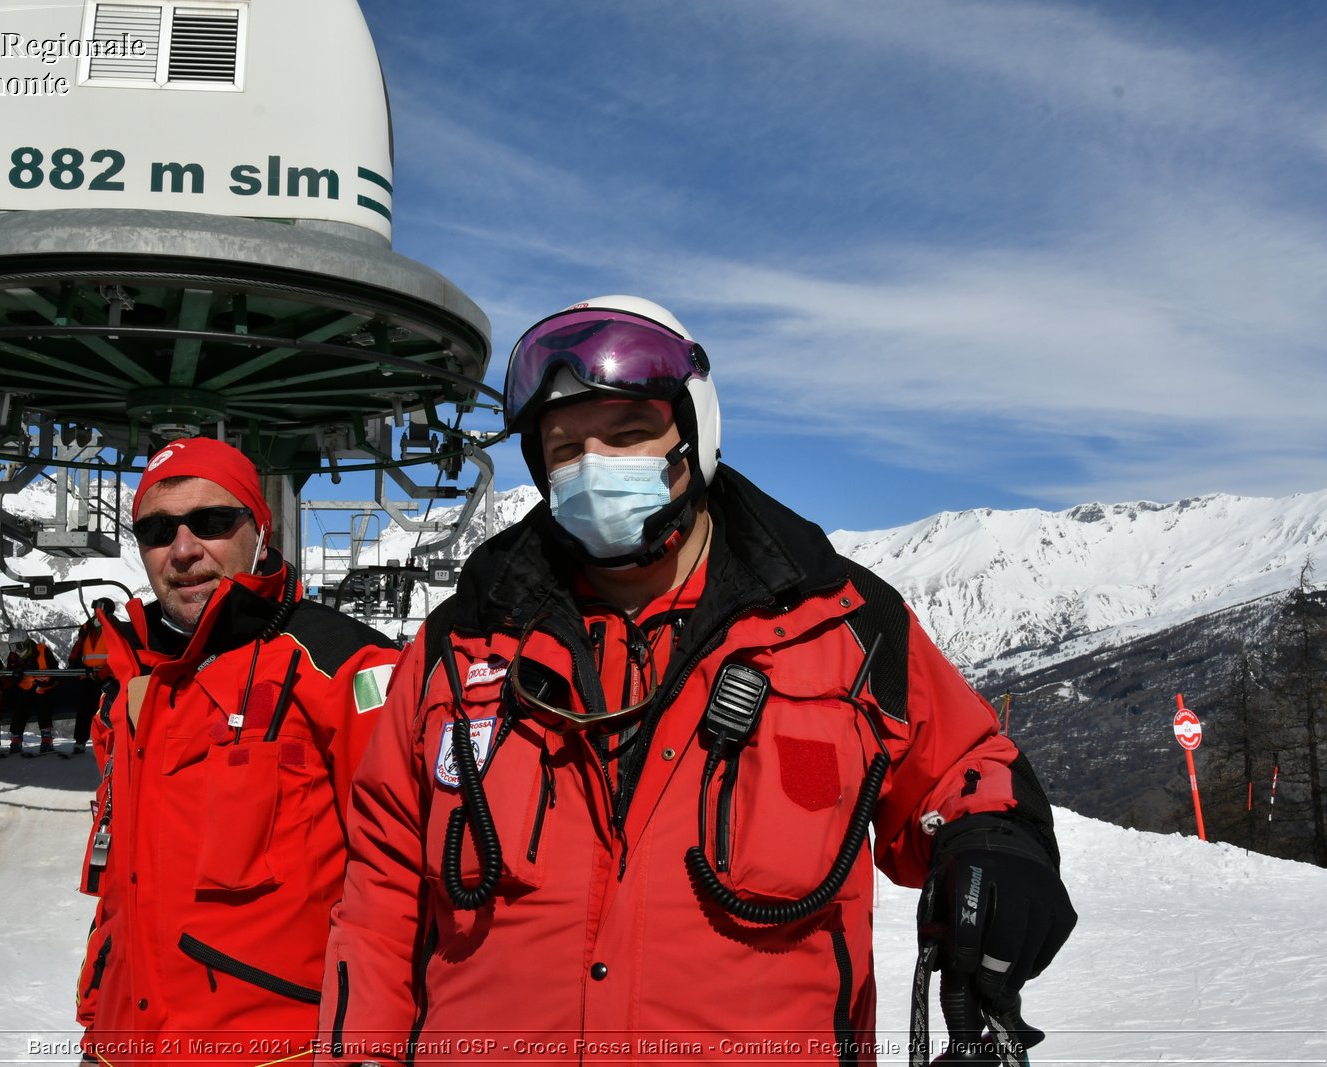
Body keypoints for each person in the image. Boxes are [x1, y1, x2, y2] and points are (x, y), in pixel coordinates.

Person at [315, 297, 1076, 1065]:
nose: (594, 468)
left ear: (693, 437)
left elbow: (964, 770)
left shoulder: (842, 623)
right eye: (566, 447)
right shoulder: (462, 644)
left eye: (627, 435)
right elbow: (382, 895)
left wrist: (995, 843)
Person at [75, 436, 400, 1065]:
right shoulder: (133, 688)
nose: (185, 549)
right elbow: (123, 886)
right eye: (158, 530)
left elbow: (403, 877)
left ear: (261, 528)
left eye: (214, 522)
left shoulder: (346, 668)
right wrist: (95, 1024)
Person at [67, 597, 117, 760]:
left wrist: (105, 671)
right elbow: (78, 649)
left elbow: (119, 653)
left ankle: (112, 743)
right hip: (88, 674)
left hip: (108, 676)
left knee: (108, 712)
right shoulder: (88, 627)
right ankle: (80, 741)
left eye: (99, 609)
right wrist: (77, 667)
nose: (96, 612)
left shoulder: (113, 627)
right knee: (85, 709)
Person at [6, 634, 60, 754]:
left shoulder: (41, 650)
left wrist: (48, 683)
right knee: (20, 704)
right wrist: (15, 677)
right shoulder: (13, 657)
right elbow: (9, 677)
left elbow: (55, 670)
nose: (16, 650)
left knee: (42, 702)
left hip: (44, 686)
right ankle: (16, 737)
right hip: (25, 688)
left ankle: (46, 737)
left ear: (25, 643)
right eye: (12, 647)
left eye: (18, 646)